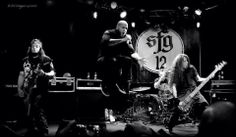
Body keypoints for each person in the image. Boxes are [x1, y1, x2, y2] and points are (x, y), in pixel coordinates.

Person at [97, 20, 145, 116]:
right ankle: (108, 83)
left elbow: (132, 51)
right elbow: (106, 43)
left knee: (128, 59)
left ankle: (125, 83)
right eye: (123, 27)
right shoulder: (109, 32)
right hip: (104, 58)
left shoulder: (126, 38)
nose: (125, 30)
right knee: (113, 60)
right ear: (118, 27)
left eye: (126, 28)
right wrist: (122, 40)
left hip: (117, 59)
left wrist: (139, 58)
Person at [17, 38, 55, 136]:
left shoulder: (46, 59)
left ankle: (44, 131)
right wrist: (19, 88)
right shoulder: (25, 60)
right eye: (33, 46)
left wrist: (44, 74)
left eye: (37, 46)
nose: (35, 48)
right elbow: (21, 74)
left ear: (40, 48)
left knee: (38, 109)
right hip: (27, 89)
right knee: (29, 112)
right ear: (30, 47)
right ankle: (33, 130)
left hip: (40, 89)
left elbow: (53, 73)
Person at [166, 54, 210, 133]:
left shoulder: (191, 68)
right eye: (184, 61)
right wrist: (176, 98)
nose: (186, 62)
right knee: (178, 111)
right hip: (183, 92)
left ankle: (206, 125)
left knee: (205, 106)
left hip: (195, 90)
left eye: (187, 60)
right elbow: (174, 86)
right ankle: (170, 126)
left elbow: (198, 79)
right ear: (179, 62)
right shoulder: (176, 71)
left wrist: (207, 78)